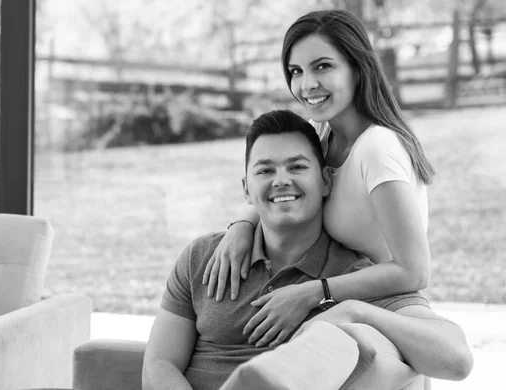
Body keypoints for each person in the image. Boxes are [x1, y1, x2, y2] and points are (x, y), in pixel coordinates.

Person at [142, 110, 472, 390]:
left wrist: (354, 310)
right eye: (265, 170)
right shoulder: (204, 257)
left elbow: (456, 358)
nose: (281, 180)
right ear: (246, 188)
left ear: (326, 181)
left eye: (297, 167)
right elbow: (160, 362)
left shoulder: (352, 275)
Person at [204, 9, 434, 348]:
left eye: (322, 66)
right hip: (339, 321)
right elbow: (284, 185)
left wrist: (315, 292)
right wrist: (241, 225)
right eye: (296, 71)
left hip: (387, 324)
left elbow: (414, 271)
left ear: (357, 68)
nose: (307, 84)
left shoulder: (377, 149)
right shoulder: (321, 133)